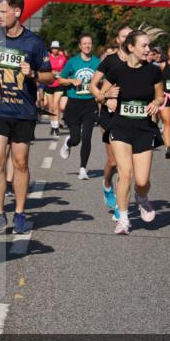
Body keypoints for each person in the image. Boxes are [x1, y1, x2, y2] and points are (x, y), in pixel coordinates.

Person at [0, 0, 53, 236]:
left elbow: (49, 76)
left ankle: (20, 213)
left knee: (20, 163)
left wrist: (33, 74)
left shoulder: (33, 42)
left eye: (3, 12)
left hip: (23, 111)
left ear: (17, 12)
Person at [100, 30, 164, 235]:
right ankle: (123, 219)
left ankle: (142, 197)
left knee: (142, 181)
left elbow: (160, 97)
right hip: (120, 127)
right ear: (131, 47)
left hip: (144, 129)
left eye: (149, 46)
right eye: (144, 46)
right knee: (125, 173)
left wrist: (155, 102)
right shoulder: (117, 71)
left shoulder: (153, 72)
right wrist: (107, 96)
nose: (148, 50)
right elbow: (100, 94)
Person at [90, 24, 132, 220]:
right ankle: (107, 183)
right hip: (110, 115)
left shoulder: (139, 61)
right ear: (118, 40)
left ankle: (120, 206)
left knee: (126, 166)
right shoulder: (110, 60)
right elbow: (93, 85)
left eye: (130, 36)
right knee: (113, 161)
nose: (126, 39)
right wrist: (103, 96)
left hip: (131, 116)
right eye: (123, 36)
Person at [58, 34, 100, 179]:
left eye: (89, 43)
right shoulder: (72, 62)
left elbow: (104, 80)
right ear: (80, 46)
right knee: (76, 139)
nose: (87, 46)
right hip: (74, 104)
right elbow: (60, 80)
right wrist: (71, 80)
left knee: (87, 137)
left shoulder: (97, 62)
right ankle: (68, 143)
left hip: (90, 103)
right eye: (84, 43)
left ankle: (83, 169)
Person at [46, 40, 68, 136]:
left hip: (59, 84)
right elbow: (43, 69)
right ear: (51, 48)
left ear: (58, 48)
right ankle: (53, 125)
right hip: (49, 84)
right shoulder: (47, 58)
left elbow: (66, 70)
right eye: (53, 48)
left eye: (56, 48)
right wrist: (51, 72)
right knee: (50, 107)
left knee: (56, 105)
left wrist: (60, 73)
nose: (55, 50)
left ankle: (56, 127)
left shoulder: (63, 58)